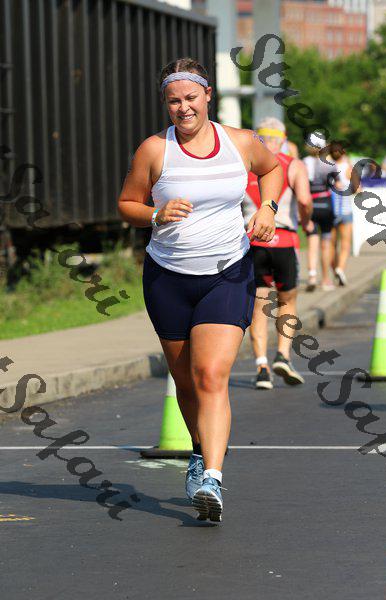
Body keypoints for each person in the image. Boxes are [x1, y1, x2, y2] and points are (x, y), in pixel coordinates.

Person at [117, 58, 283, 522]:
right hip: (167, 277)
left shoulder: (241, 142)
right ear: (165, 103)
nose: (183, 108)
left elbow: (272, 171)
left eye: (191, 97)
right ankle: (198, 450)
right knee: (186, 381)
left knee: (210, 374)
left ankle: (211, 476)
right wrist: (155, 213)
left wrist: (267, 208)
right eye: (174, 100)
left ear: (208, 95)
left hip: (227, 273)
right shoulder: (154, 150)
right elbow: (127, 204)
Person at [242, 118, 313, 389]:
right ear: (283, 139)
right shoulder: (293, 165)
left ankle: (261, 367)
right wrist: (305, 221)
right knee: (287, 301)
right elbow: (304, 200)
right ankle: (283, 355)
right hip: (283, 240)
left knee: (259, 303)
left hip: (253, 242)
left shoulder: (246, 165)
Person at [303, 134, 338, 292]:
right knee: (326, 243)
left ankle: (312, 275)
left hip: (310, 205)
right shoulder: (329, 164)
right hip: (325, 204)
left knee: (312, 240)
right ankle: (325, 279)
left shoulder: (304, 162)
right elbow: (336, 184)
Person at [329, 141, 354, 286]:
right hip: (345, 210)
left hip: (331, 210)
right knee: (345, 244)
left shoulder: (327, 167)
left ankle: (335, 272)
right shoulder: (347, 168)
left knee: (331, 244)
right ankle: (340, 268)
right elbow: (357, 188)